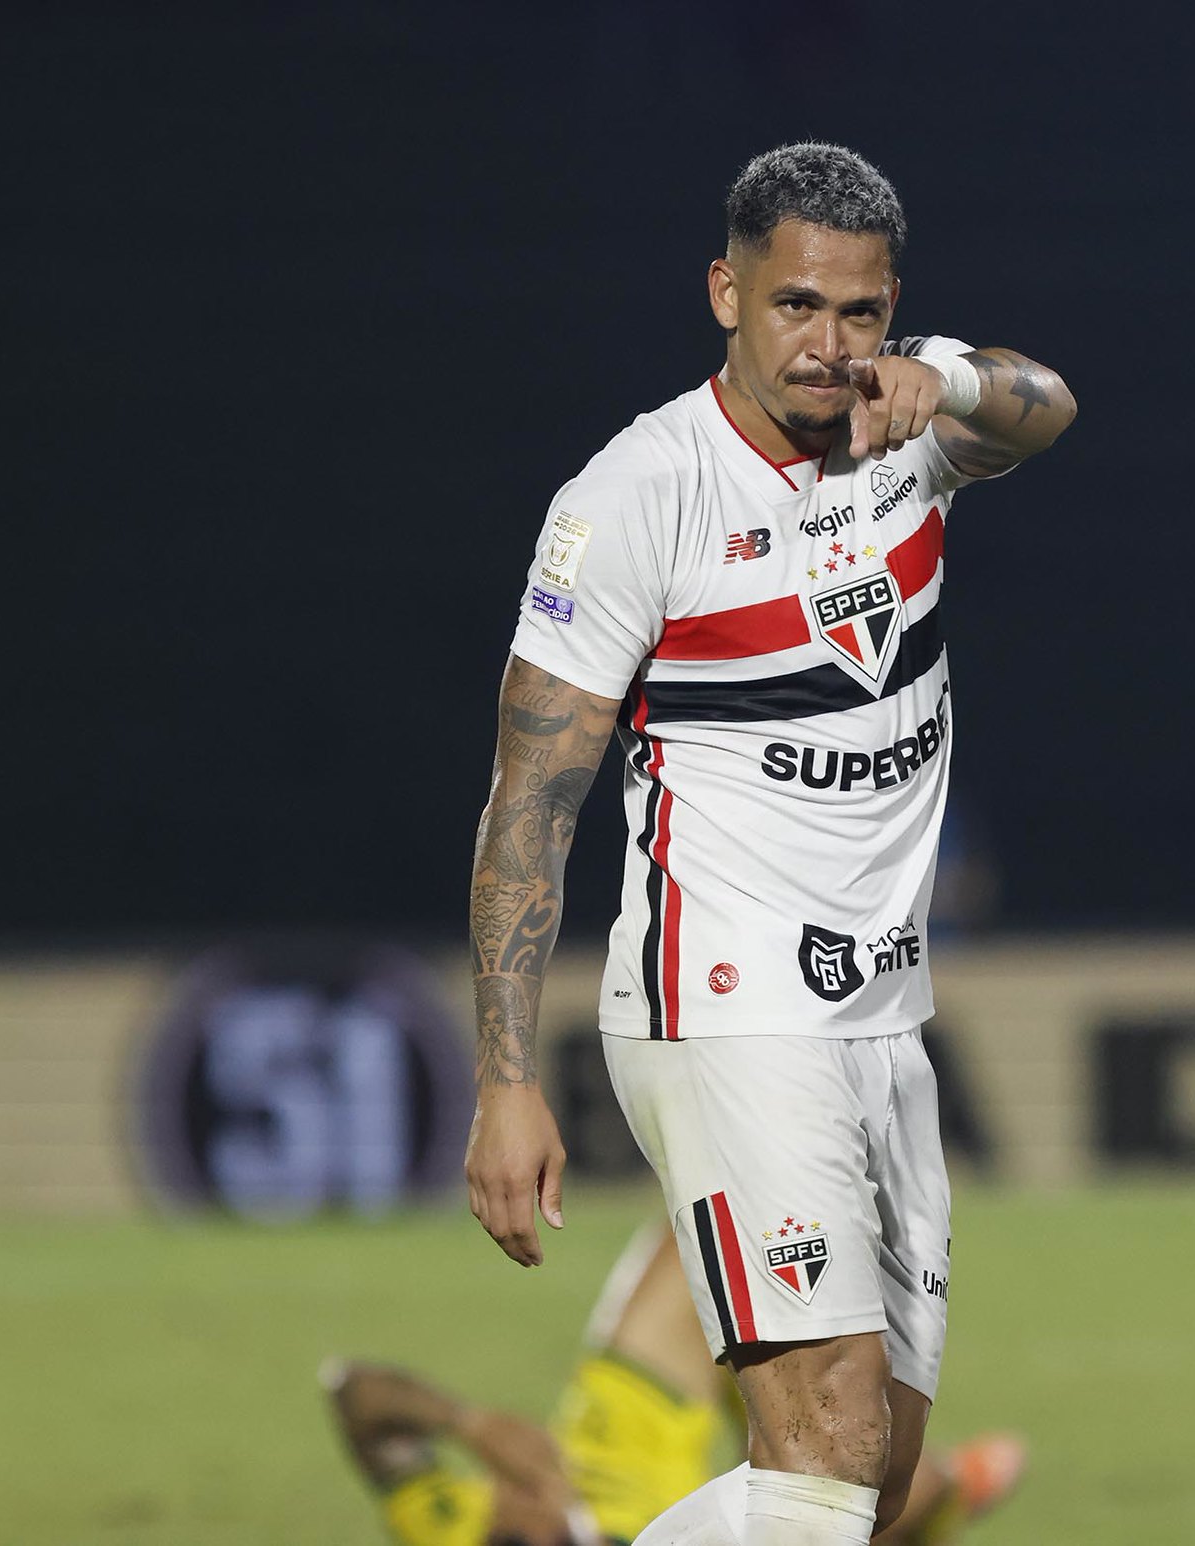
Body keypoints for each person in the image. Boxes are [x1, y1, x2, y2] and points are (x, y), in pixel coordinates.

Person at [462, 140, 1075, 1546]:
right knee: (825, 1441)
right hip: (727, 998)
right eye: (796, 304)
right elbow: (528, 803)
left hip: (880, 1011)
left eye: (859, 312)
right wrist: (505, 1076)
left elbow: (1048, 406)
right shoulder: (635, 496)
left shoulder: (910, 425)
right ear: (726, 293)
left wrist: (948, 382)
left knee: (865, 1484)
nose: (827, 344)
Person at [323, 1223, 1026, 1546]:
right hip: (689, 1473)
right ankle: (952, 1486)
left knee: (720, 1222)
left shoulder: (449, 1526)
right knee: (872, 1493)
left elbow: (350, 1389)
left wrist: (465, 1423)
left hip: (633, 1397)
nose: (508, 1508)